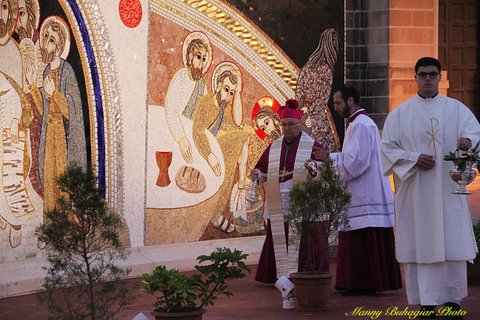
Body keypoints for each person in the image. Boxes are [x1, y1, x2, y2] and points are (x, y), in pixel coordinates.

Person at [381, 57, 480, 319]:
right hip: (417, 194)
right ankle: (426, 302)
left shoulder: (456, 109)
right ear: (415, 77)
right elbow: (387, 149)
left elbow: (474, 131)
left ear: (439, 77)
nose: (427, 79)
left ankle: (452, 299)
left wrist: (468, 140)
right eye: (422, 74)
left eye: (432, 74)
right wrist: (414, 158)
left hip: (448, 191)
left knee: (451, 245)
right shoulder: (400, 114)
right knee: (421, 244)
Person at [313, 85, 402, 295]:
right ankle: (362, 282)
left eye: (338, 103)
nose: (335, 108)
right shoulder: (358, 124)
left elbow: (356, 162)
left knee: (362, 238)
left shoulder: (361, 125)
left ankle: (361, 282)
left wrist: (329, 158)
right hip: (362, 190)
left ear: (351, 100)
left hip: (364, 193)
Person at [253, 98, 329, 287]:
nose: (286, 129)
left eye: (290, 125)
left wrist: (313, 168)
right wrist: (256, 174)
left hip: (302, 198)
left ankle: (302, 273)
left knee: (300, 239)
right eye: (284, 125)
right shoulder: (275, 146)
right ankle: (277, 275)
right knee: (277, 237)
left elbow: (324, 169)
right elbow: (261, 170)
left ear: (299, 124)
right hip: (278, 198)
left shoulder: (312, 144)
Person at [29, 16, 87, 211]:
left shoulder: (67, 71)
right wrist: (31, 89)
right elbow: (43, 110)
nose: (46, 43)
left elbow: (73, 110)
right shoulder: (46, 71)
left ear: (60, 45)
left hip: (63, 137)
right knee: (49, 181)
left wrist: (55, 93)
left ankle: (65, 229)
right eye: (45, 37)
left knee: (62, 181)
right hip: (49, 135)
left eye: (51, 40)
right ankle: (51, 228)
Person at [164, 31, 212, 164]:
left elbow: (202, 119)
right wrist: (181, 138)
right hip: (176, 134)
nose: (201, 63)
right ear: (190, 56)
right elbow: (170, 110)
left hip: (192, 138)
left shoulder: (202, 86)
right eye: (198, 57)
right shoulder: (180, 78)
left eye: (203, 59)